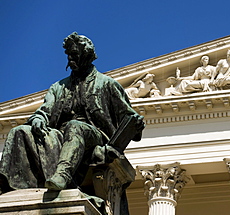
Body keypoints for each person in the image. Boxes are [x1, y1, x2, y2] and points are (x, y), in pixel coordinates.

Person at [0, 32, 144, 193]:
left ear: (87, 55)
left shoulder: (107, 85)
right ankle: (8, 185)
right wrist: (38, 119)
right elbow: (44, 110)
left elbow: (129, 119)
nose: (70, 59)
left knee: (75, 126)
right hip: (61, 135)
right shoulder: (59, 87)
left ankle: (63, 175)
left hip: (95, 138)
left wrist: (136, 124)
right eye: (68, 55)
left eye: (74, 54)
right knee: (19, 131)